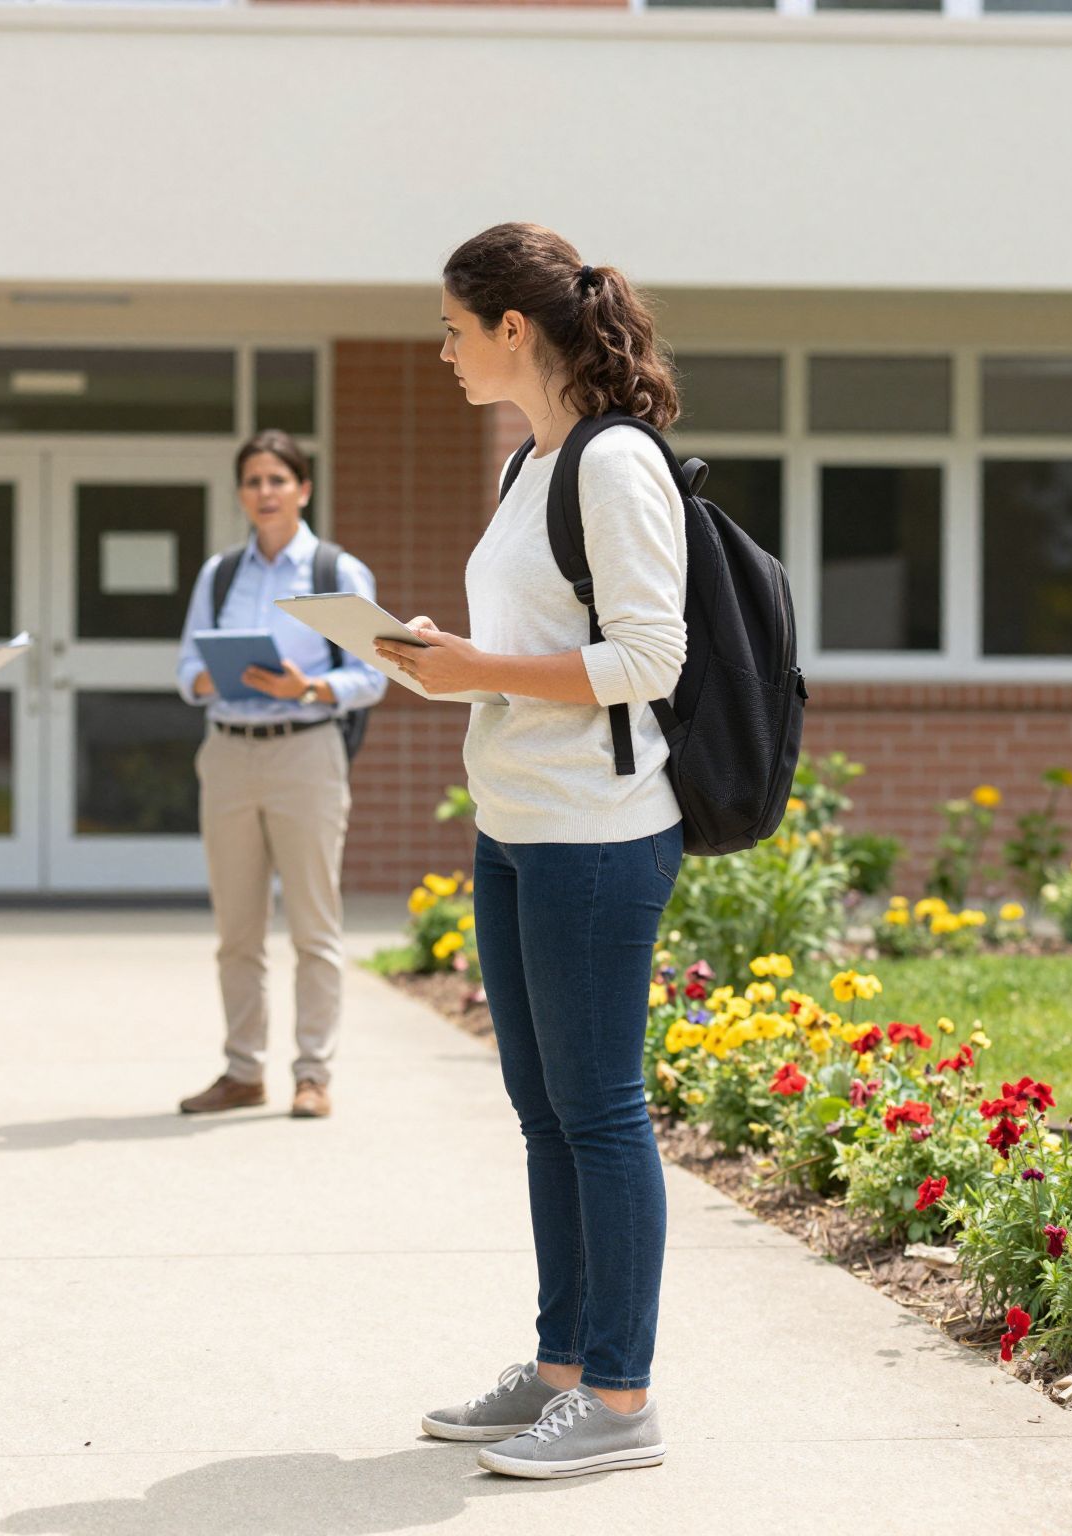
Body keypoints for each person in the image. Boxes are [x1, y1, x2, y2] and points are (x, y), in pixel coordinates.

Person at [381, 224, 687, 1478]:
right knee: (544, 1114)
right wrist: (445, 665)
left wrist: (483, 669)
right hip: (515, 825)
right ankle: (561, 1368)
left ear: (513, 329)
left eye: (453, 329)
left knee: (600, 1111)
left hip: (595, 835)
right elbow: (532, 651)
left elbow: (648, 658)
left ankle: (620, 1401)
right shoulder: (529, 463)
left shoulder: (613, 463)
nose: (442, 351)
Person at [173, 430, 388, 1120]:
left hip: (306, 754)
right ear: (241, 494)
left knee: (313, 926)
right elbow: (185, 669)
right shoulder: (219, 574)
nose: (264, 492)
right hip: (228, 754)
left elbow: (374, 675)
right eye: (253, 481)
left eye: (277, 479)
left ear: (303, 489)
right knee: (236, 931)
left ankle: (313, 1074)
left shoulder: (337, 570)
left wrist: (309, 688)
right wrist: (210, 676)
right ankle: (243, 1072)